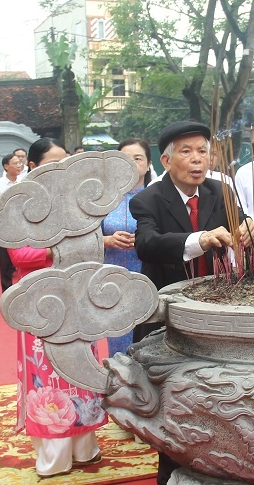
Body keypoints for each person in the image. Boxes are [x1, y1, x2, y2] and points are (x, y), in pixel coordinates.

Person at [130, 121, 253, 485]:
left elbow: (243, 223)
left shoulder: (222, 191)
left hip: (218, 314)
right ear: (167, 160)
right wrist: (200, 238)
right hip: (170, 317)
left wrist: (249, 227)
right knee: (174, 406)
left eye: (202, 150)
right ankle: (172, 473)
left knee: (220, 401)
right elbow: (147, 244)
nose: (197, 159)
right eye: (186, 152)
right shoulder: (148, 199)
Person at [9, 138, 106, 477]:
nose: (61, 167)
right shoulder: (19, 204)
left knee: (82, 370)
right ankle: (54, 457)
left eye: (65, 160)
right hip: (39, 300)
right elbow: (21, 255)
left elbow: (92, 242)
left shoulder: (74, 200)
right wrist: (61, 249)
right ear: (33, 167)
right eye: (53, 161)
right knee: (47, 376)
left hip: (77, 295)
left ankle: (85, 448)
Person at [101, 138, 153, 355]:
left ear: (149, 164)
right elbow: (85, 235)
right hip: (112, 280)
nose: (131, 163)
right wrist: (106, 240)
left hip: (148, 278)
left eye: (138, 158)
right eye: (125, 158)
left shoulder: (156, 197)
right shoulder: (103, 199)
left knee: (149, 336)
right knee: (117, 335)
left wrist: (144, 240)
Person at [0, 153, 24, 292]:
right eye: (15, 163)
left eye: (20, 163)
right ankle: (7, 292)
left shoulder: (24, 181)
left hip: (24, 224)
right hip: (5, 226)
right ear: (6, 166)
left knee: (25, 257)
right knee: (5, 261)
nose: (19, 165)